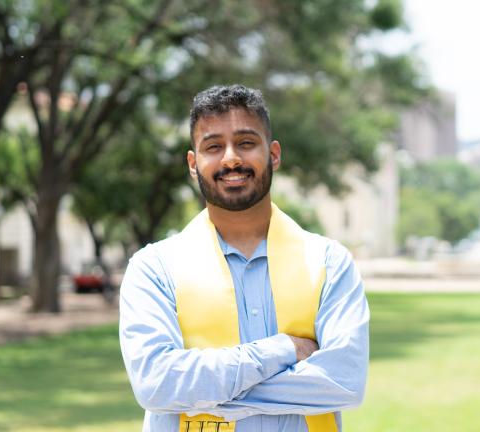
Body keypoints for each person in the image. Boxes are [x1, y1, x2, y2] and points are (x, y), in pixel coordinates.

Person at [119, 84, 370, 432]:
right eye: (213, 147)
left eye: (247, 143)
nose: (231, 158)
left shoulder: (329, 263)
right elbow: (157, 385)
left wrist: (205, 394)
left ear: (274, 154)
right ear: (193, 164)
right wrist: (282, 350)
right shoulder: (154, 269)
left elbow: (344, 382)